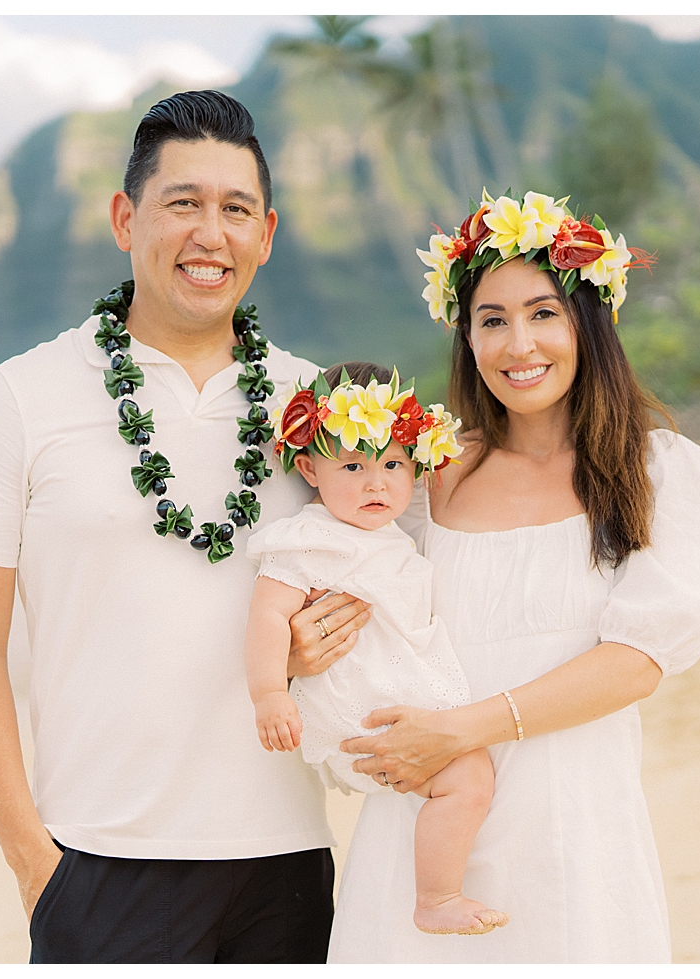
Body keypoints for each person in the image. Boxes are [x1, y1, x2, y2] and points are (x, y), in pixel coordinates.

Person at [0, 90, 370, 964]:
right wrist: (32, 860)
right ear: (126, 218)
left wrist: (326, 632)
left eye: (236, 210)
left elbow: (386, 568)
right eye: (184, 204)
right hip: (97, 860)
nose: (212, 233)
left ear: (267, 234)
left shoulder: (320, 406)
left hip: (284, 860)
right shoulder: (22, 396)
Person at [325, 192, 700, 962]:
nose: (520, 343)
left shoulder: (657, 473)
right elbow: (347, 606)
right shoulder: (429, 479)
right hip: (427, 836)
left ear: (589, 322)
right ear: (467, 336)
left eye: (544, 313)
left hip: (572, 832)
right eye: (491, 320)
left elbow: (636, 662)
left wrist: (458, 730)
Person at [243, 362, 508, 936]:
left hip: (391, 691)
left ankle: (435, 891)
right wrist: (269, 693)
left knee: (467, 777)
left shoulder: (391, 533)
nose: (375, 483)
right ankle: (436, 897)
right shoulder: (310, 538)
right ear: (310, 469)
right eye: (354, 466)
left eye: (393, 465)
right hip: (360, 701)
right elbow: (268, 614)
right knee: (468, 775)